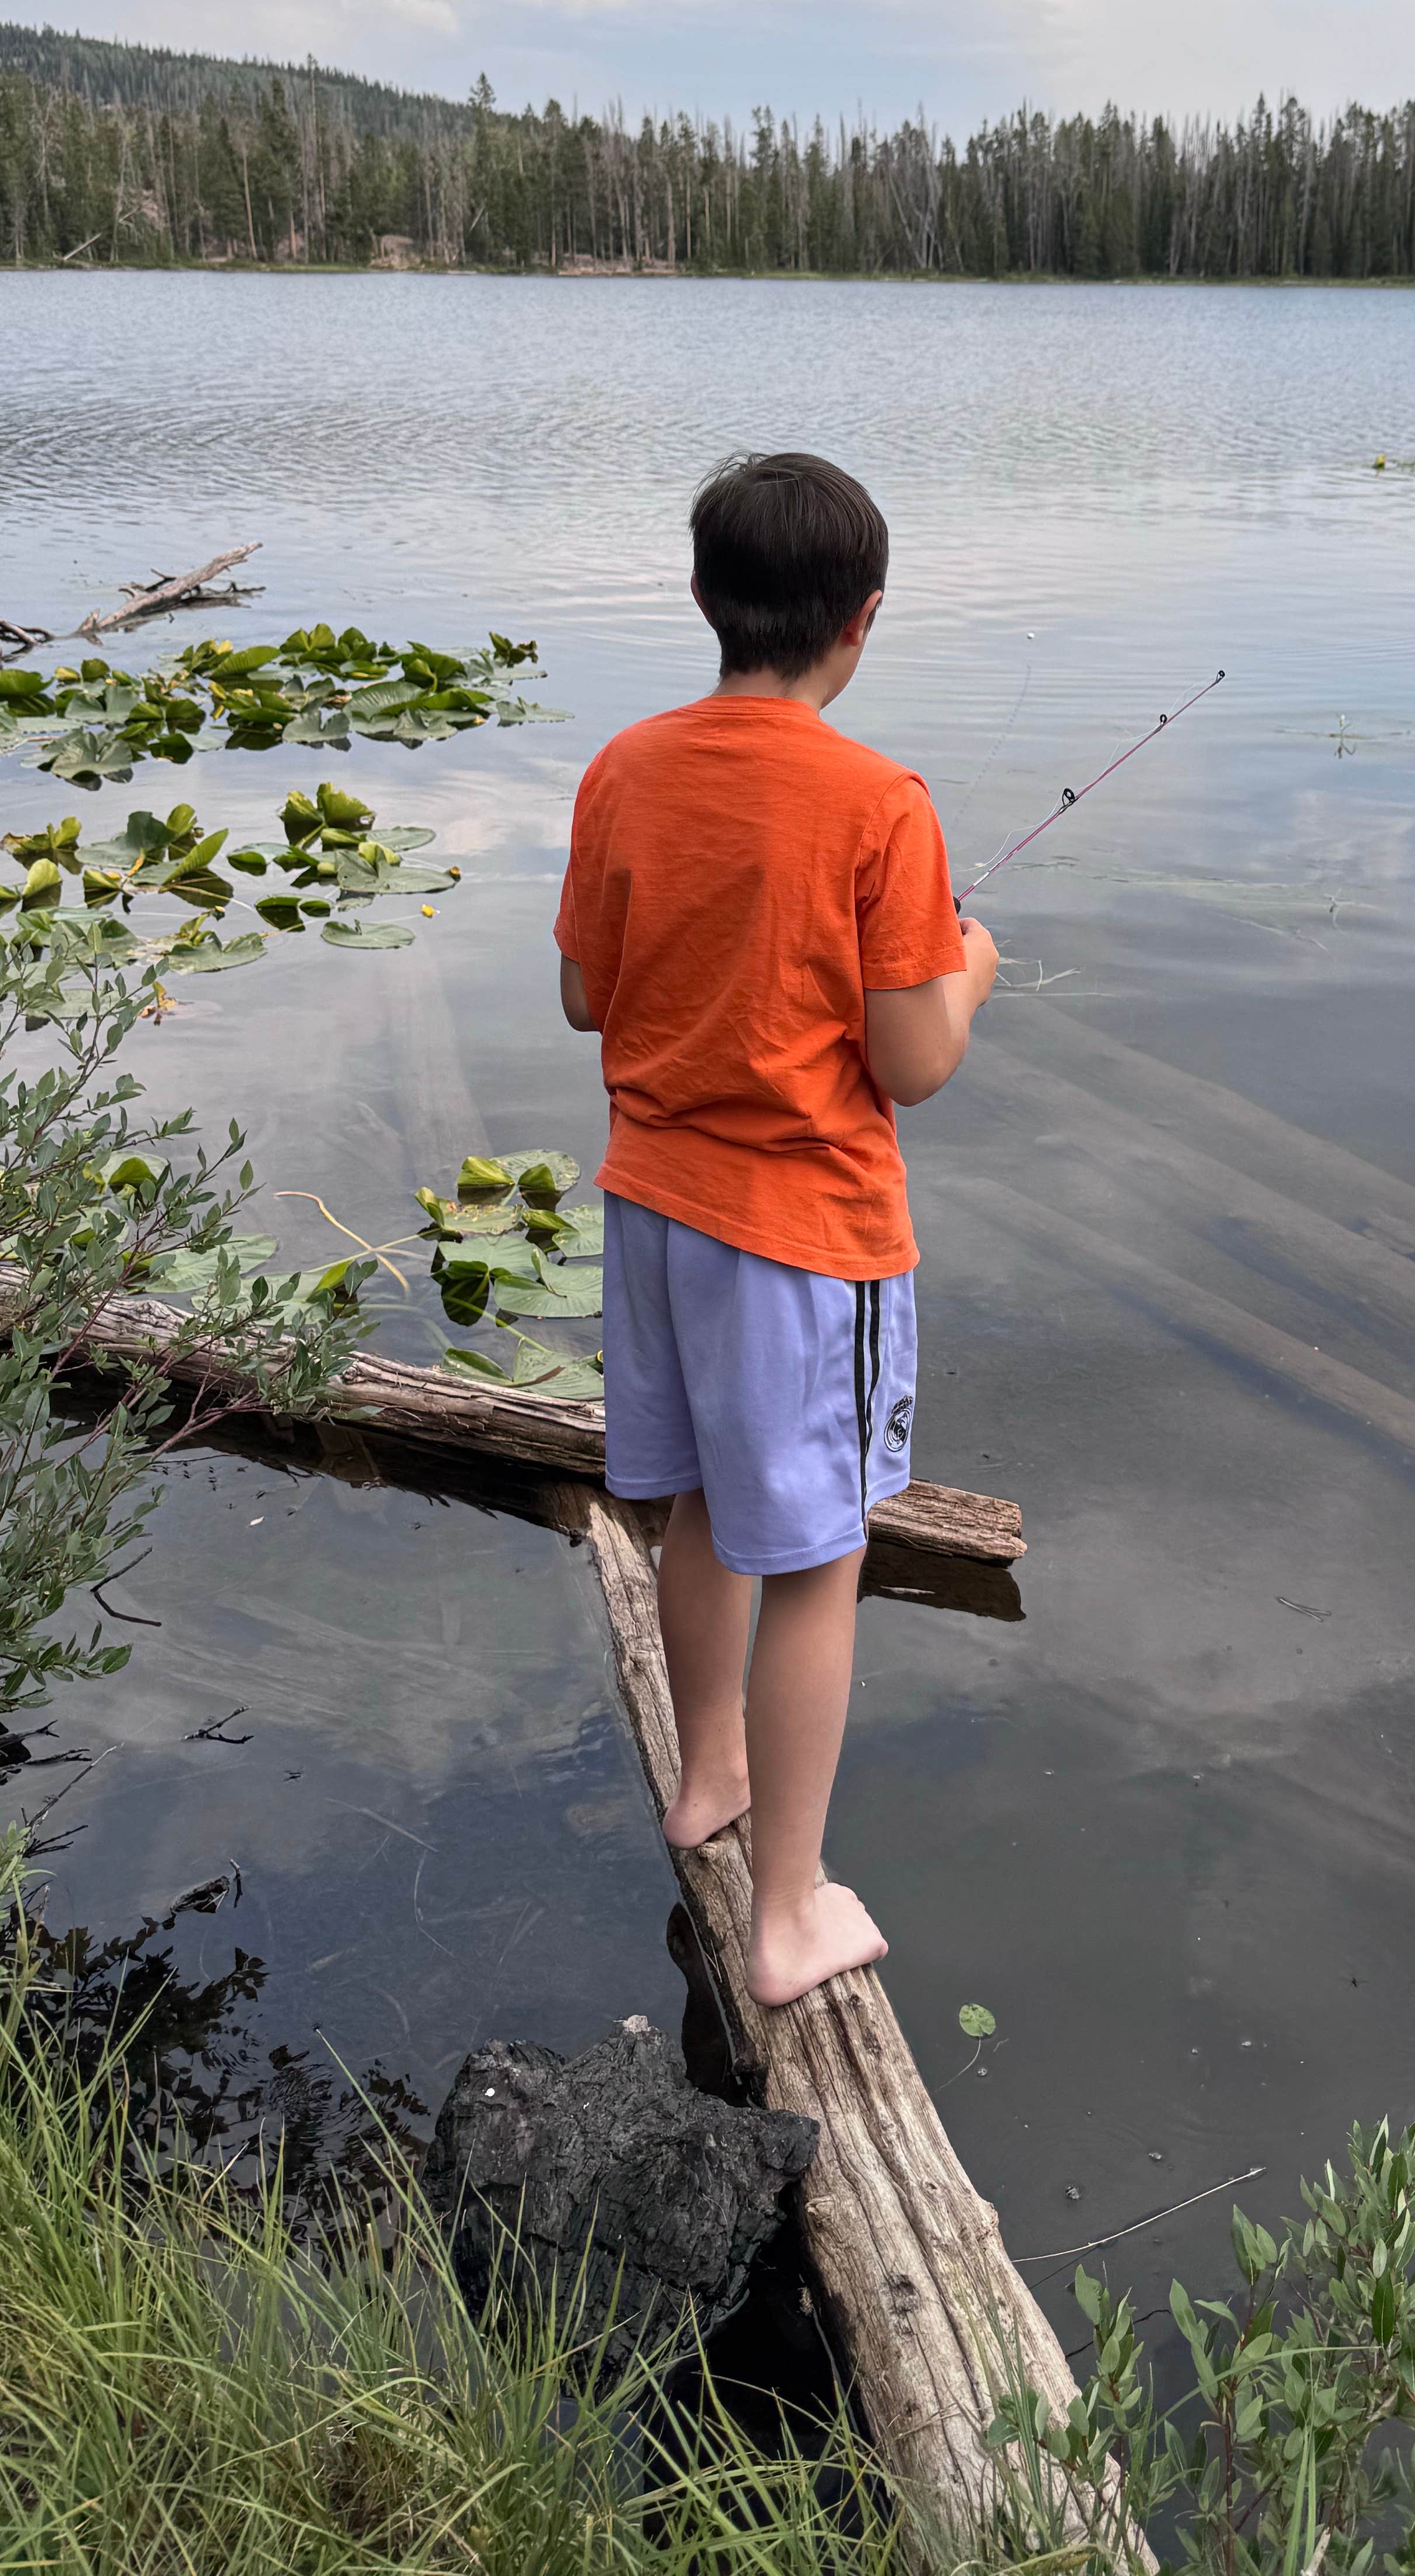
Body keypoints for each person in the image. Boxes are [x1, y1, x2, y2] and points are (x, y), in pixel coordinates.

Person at [556, 450, 1001, 2005]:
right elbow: (915, 1064)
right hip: (803, 1239)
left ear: (702, 601)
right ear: (862, 621)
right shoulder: (879, 801)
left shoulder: (622, 767)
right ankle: (788, 1913)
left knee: (687, 1503)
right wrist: (976, 966)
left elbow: (584, 999)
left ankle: (707, 1779)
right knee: (816, 1555)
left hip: (650, 1213)